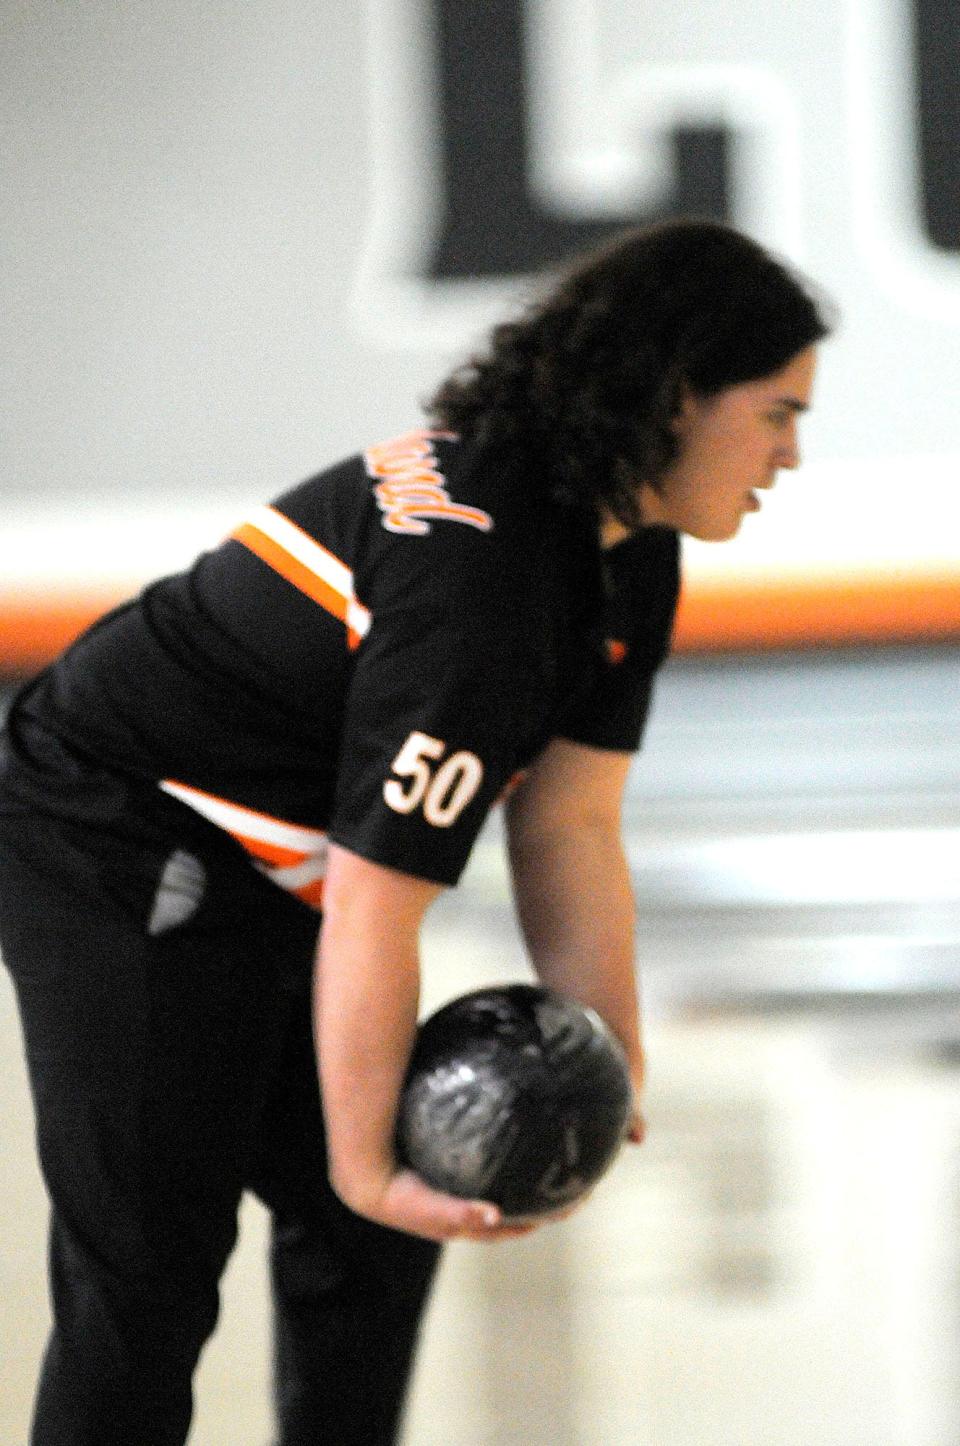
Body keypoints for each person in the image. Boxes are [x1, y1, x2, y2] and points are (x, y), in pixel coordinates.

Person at [0, 218, 831, 1445]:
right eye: (776, 412)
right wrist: (354, 1162)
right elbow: (380, 902)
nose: (793, 454)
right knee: (149, 1276)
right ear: (673, 396)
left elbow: (570, 825)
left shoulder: (622, 551)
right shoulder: (484, 589)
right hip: (113, 831)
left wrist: (617, 1063)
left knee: (381, 1230)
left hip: (265, 858)